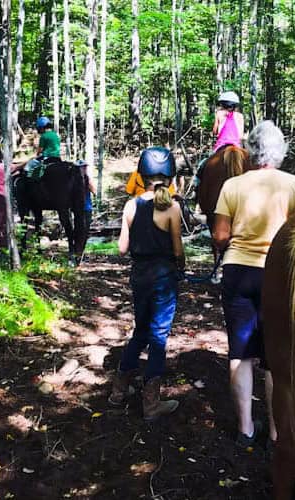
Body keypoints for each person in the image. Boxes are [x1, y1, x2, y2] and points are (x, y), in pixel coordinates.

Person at [212, 121, 295, 447]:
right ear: (280, 150)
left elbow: (221, 236)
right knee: (275, 357)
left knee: (239, 354)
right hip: (278, 275)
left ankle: (245, 429)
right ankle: (277, 432)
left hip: (238, 272)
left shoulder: (232, 186)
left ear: (251, 150)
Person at [109, 146, 185, 421]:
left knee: (140, 331)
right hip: (163, 277)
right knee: (159, 336)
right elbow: (177, 250)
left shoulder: (131, 205)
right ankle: (151, 402)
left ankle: (119, 391)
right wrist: (183, 266)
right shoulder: (172, 207)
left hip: (139, 276)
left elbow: (121, 248)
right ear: (169, 176)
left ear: (142, 173)